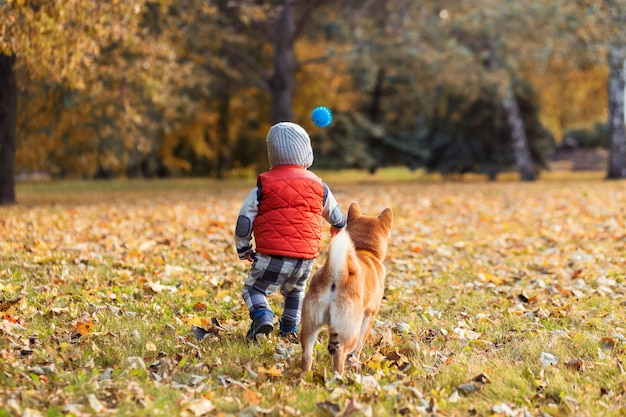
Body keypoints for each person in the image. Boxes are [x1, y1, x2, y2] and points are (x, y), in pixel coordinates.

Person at [235, 122, 346, 341]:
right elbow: (337, 215)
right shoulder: (319, 186)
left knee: (254, 290)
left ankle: (263, 315)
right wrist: (339, 227)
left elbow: (244, 221)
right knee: (295, 291)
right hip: (305, 258)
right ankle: (289, 330)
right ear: (307, 152)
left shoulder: (264, 185)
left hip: (271, 255)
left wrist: (243, 247)